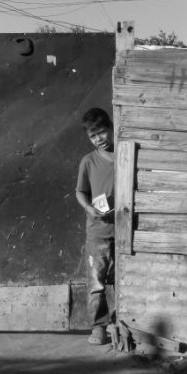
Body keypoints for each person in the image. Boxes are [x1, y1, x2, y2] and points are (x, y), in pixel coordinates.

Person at [75, 107, 116, 345]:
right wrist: (89, 208)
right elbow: (80, 192)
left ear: (111, 128)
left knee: (123, 280)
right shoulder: (88, 161)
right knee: (96, 282)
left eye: (101, 132)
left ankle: (120, 322)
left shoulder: (125, 156)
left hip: (124, 231)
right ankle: (99, 327)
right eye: (93, 136)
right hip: (97, 232)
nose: (99, 138)